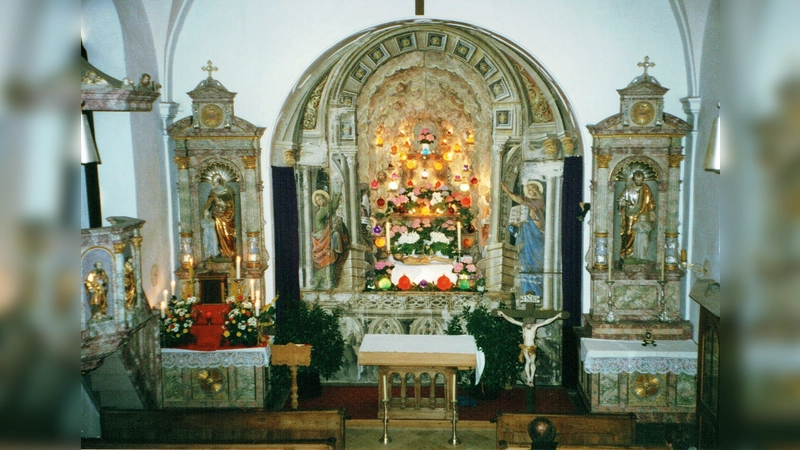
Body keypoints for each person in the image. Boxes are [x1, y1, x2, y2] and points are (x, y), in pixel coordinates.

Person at [497, 311, 563, 386]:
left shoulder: (534, 327)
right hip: (525, 347)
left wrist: (556, 316)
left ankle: (531, 378)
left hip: (532, 347)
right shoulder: (523, 326)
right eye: (527, 323)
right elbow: (512, 320)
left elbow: (546, 322)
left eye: (530, 323)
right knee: (528, 361)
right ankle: (528, 378)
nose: (529, 325)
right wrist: (503, 314)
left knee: (532, 362)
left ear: (532, 323)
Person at [502, 181, 545, 296]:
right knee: (524, 261)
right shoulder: (528, 205)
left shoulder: (539, 202)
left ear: (537, 191)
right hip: (525, 234)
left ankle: (538, 292)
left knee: (536, 263)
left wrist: (508, 192)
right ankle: (526, 291)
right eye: (528, 190)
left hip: (536, 235)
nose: (530, 192)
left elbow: (520, 200)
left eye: (532, 190)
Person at [311, 190, 349, 288]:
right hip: (323, 235)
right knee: (328, 256)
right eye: (317, 200)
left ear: (324, 198)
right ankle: (327, 282)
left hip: (323, 234)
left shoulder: (322, 209)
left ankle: (326, 281)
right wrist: (337, 196)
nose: (320, 201)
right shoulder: (323, 210)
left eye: (320, 199)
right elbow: (333, 207)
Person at [617, 169, 656, 261]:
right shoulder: (628, 188)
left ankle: (639, 255)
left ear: (643, 179)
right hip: (630, 214)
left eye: (640, 180)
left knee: (643, 234)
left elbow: (651, 201)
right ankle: (626, 252)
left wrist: (651, 211)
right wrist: (622, 203)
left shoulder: (646, 188)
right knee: (628, 233)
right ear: (633, 179)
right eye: (637, 180)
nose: (639, 182)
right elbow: (621, 199)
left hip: (642, 214)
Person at [203, 174, 237, 258]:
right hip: (217, 218)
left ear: (220, 182)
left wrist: (225, 206)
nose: (214, 185)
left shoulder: (229, 190)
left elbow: (233, 205)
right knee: (218, 236)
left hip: (228, 217)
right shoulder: (213, 192)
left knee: (228, 235)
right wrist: (206, 212)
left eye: (215, 183)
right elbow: (208, 205)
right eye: (213, 183)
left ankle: (230, 252)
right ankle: (221, 252)